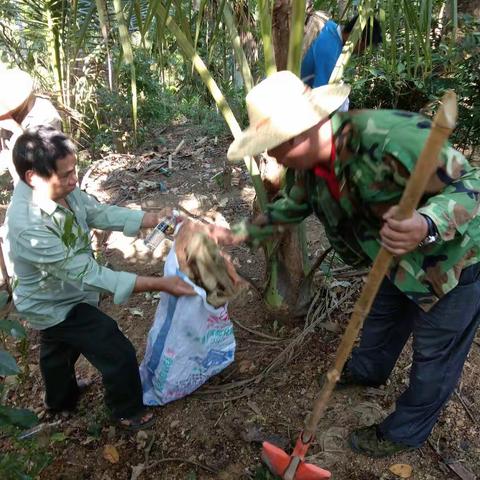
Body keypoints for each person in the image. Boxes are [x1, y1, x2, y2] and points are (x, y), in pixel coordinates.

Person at [227, 71, 480, 457]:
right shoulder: (307, 166)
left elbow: (473, 185)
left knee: (434, 361)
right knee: (378, 327)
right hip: (391, 264)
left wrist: (427, 223)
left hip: (450, 267)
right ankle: (367, 372)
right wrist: (236, 234)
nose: (271, 156)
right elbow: (293, 205)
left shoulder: (392, 136)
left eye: (275, 146)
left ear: (304, 131)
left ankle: (404, 432)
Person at [3, 125, 198, 430]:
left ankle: (60, 400)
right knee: (114, 347)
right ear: (33, 177)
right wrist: (161, 284)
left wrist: (150, 220)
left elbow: (97, 212)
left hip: (61, 291)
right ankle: (127, 409)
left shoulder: (60, 190)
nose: (74, 179)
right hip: (54, 301)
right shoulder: (29, 225)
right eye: (66, 174)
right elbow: (88, 275)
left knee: (57, 350)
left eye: (74, 170)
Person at [301, 13, 382, 111]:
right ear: (360, 40)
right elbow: (319, 98)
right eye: (366, 46)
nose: (363, 51)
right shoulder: (331, 54)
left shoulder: (330, 26)